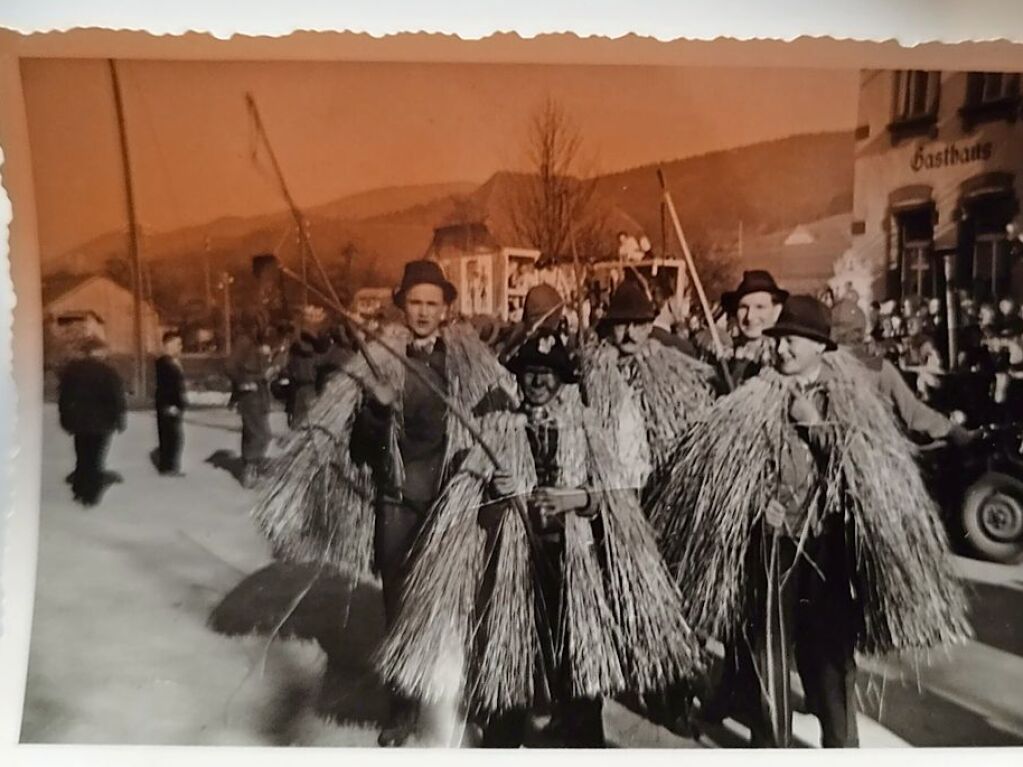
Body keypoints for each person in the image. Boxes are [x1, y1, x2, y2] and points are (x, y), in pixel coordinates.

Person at [653, 295, 972, 748]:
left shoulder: (851, 397)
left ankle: (841, 748)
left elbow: (866, 468)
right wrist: (758, 502)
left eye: (794, 341)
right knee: (769, 652)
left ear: (820, 347)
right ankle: (770, 746)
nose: (782, 349)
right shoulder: (755, 397)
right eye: (780, 339)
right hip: (771, 545)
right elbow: (731, 470)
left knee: (828, 658)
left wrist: (815, 425)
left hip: (827, 546)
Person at [376, 329, 700, 748]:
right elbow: (472, 510)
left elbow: (611, 498)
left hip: (571, 565)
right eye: (530, 373)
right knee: (511, 665)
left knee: (576, 664)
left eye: (548, 374)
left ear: (562, 379)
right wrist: (497, 489)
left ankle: (583, 741)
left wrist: (576, 499)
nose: (538, 382)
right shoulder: (498, 430)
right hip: (516, 567)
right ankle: (504, 742)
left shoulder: (584, 428)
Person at [253, 259, 514, 748]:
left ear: (446, 308)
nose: (422, 312)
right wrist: (377, 406)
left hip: (451, 502)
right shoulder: (379, 359)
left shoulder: (466, 361)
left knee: (458, 601)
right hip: (399, 502)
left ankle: (464, 701)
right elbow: (361, 448)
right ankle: (402, 709)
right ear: (402, 305)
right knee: (399, 605)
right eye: (414, 302)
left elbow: (499, 417)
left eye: (431, 304)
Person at [583, 280, 714, 501]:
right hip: (610, 486)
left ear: (650, 326)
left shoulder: (664, 366)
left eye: (639, 325)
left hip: (653, 485)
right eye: (622, 324)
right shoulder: (595, 371)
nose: (630, 333)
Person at [58, 337, 127, 506]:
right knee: (96, 458)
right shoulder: (108, 371)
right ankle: (91, 495)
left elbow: (64, 397)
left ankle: (79, 490)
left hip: (79, 422)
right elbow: (116, 398)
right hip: (102, 423)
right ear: (98, 352)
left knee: (82, 455)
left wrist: (65, 419)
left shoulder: (72, 370)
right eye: (104, 351)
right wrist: (120, 420)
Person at [717, 270, 788, 388]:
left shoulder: (784, 357)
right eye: (743, 307)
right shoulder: (725, 354)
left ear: (776, 311)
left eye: (760, 307)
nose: (750, 317)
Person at [227, 330, 275, 489]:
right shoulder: (244, 341)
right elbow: (230, 366)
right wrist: (243, 383)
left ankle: (251, 470)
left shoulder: (256, 343)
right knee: (261, 434)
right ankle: (250, 470)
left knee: (252, 432)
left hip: (260, 394)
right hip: (250, 396)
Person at [154, 330, 187, 476]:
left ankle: (170, 466)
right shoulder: (164, 363)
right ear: (169, 344)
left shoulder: (172, 362)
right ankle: (168, 467)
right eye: (178, 344)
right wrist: (170, 405)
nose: (180, 347)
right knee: (171, 436)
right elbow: (165, 386)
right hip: (169, 405)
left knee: (174, 436)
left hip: (173, 405)